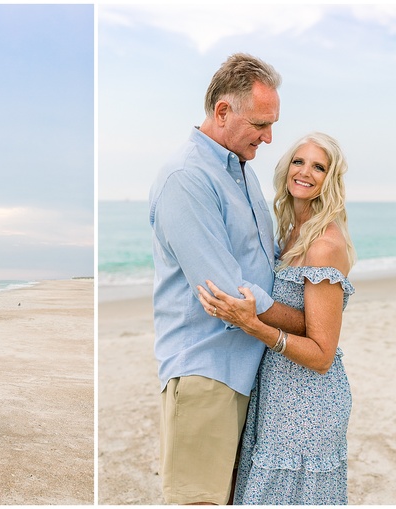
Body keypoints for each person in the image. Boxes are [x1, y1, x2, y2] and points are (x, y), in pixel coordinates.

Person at [148, 52, 305, 505]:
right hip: (207, 371)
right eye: (260, 123)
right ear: (222, 111)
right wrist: (305, 324)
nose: (270, 137)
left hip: (249, 372)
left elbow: (266, 263)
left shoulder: (242, 172)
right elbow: (226, 292)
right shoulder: (187, 177)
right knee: (200, 501)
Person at [198, 132, 356, 504]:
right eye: (299, 162)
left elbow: (322, 354)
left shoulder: (323, 246)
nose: (305, 172)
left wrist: (254, 325)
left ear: (330, 180)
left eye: (319, 167)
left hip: (309, 402)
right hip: (274, 394)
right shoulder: (289, 233)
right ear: (287, 168)